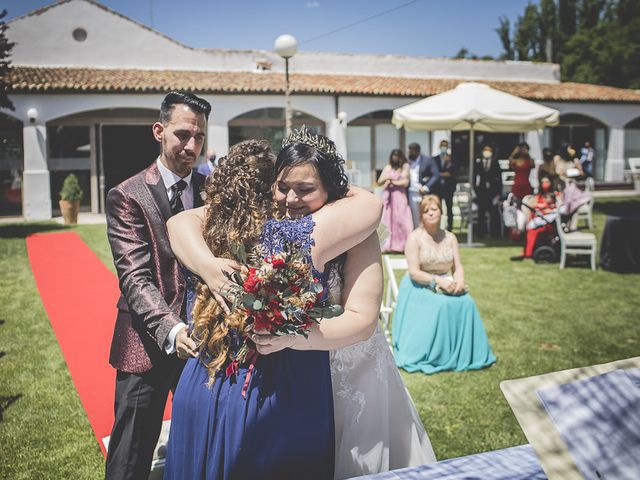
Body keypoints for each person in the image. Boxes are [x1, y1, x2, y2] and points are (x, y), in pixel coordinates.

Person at [165, 129, 436, 479]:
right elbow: (183, 220)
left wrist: (294, 336)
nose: (291, 198)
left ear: (333, 191)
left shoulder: (352, 227)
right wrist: (209, 268)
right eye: (282, 186)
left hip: (350, 372)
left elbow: (363, 317)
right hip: (292, 376)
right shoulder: (264, 222)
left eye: (305, 189)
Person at [104, 91, 210, 480]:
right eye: (183, 134)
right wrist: (172, 328)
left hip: (204, 344)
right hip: (145, 343)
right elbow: (135, 277)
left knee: (201, 443)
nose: (192, 145)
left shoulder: (211, 189)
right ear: (159, 131)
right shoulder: (127, 195)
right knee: (131, 456)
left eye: (199, 137)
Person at [393, 195, 496, 374]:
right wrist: (437, 281)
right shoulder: (414, 238)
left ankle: (466, 355)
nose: (431, 213)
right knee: (441, 305)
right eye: (426, 211)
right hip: (419, 285)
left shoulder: (450, 237)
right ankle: (438, 354)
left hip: (445, 281)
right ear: (421, 215)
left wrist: (460, 281)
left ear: (441, 212)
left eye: (434, 209)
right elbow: (414, 272)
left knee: (468, 303)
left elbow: (458, 266)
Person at [377, 148, 414, 252]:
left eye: (397, 156)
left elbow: (405, 182)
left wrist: (393, 182)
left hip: (399, 196)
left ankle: (403, 245)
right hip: (388, 197)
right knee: (386, 220)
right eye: (393, 156)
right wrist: (387, 179)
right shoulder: (388, 167)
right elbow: (379, 181)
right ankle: (386, 245)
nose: (395, 158)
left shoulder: (405, 167)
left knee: (401, 219)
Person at [407, 142, 440, 227]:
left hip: (423, 193)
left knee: (425, 214)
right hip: (411, 193)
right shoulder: (408, 162)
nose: (410, 153)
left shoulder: (427, 160)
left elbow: (436, 175)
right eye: (409, 151)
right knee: (414, 217)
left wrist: (426, 187)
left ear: (417, 151)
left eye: (412, 151)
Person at [472, 144, 502, 237]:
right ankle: (481, 233)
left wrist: (498, 194)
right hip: (481, 191)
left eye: (489, 150)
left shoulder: (495, 163)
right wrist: (475, 191)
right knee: (481, 213)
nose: (487, 152)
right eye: (485, 150)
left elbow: (499, 180)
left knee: (494, 213)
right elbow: (474, 178)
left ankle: (495, 233)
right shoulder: (478, 163)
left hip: (492, 191)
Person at [432, 139, 457, 231]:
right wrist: (442, 174)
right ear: (439, 147)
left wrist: (448, 163)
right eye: (442, 145)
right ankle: (437, 227)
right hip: (438, 188)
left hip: (449, 188)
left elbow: (454, 172)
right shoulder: (435, 159)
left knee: (449, 209)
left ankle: (450, 228)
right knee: (437, 208)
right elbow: (434, 172)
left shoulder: (452, 159)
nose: (444, 147)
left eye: (445, 145)